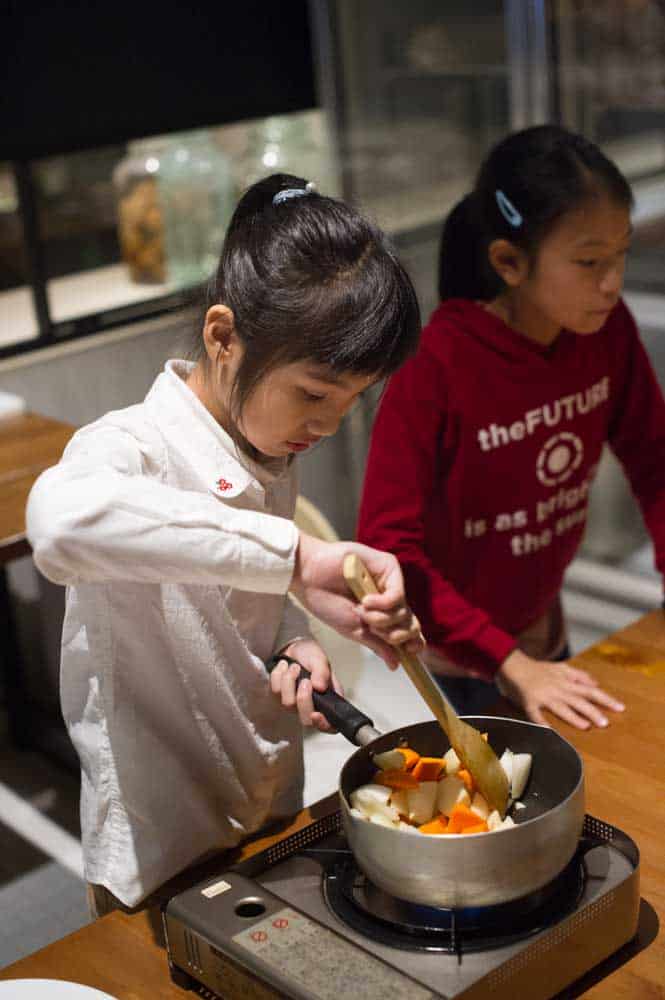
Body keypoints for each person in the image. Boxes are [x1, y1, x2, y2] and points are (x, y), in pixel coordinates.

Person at [26, 173, 423, 914]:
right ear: (222, 336)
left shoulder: (264, 445)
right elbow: (58, 523)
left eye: (350, 400)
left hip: (267, 802)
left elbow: (233, 591)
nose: (329, 424)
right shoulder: (130, 447)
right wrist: (296, 559)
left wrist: (294, 634)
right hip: (161, 839)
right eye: (315, 393)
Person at [358, 124, 665, 730]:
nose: (612, 282)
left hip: (539, 632)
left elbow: (655, 459)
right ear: (509, 262)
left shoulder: (605, 332)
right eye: (589, 262)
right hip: (453, 655)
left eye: (621, 254)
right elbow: (387, 549)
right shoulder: (435, 367)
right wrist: (506, 661)